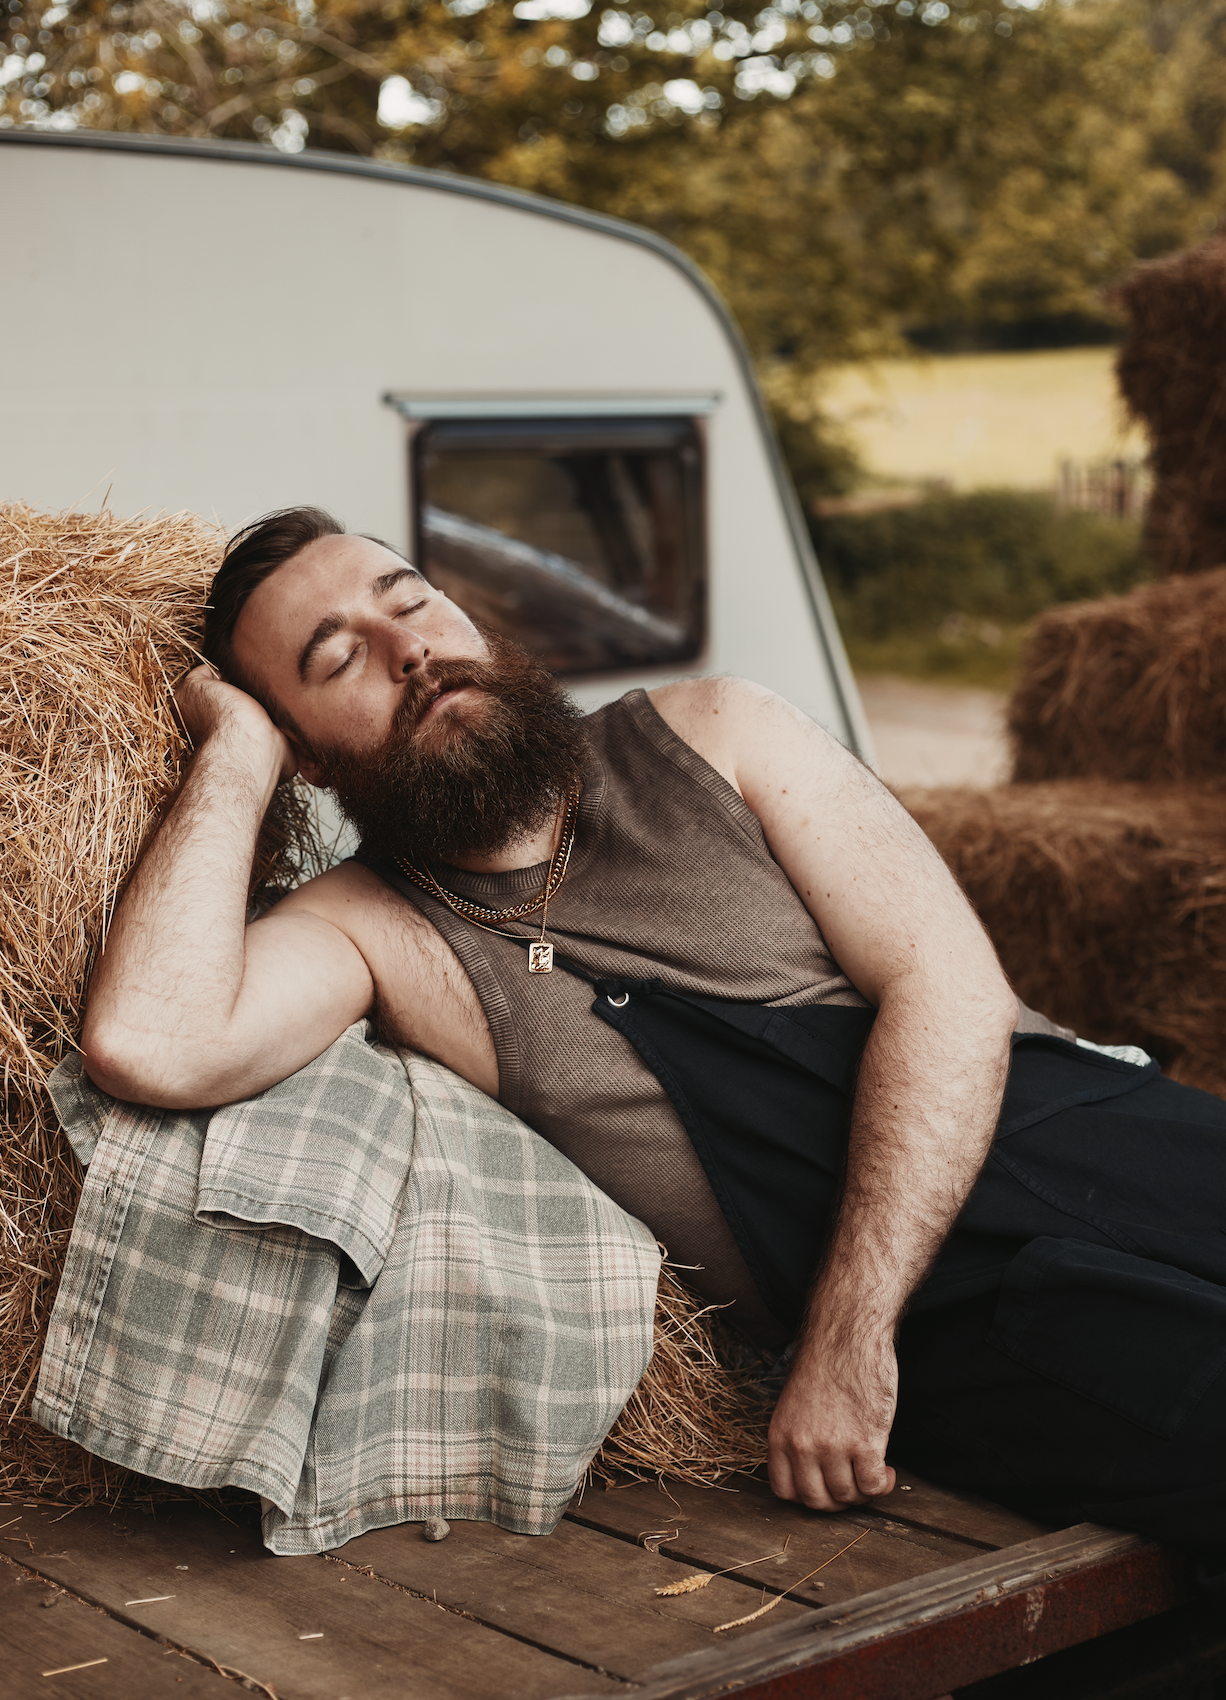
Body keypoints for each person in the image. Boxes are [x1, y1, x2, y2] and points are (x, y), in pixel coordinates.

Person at [81, 507, 1226, 1566]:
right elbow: (152, 1041)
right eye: (336, 658)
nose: (406, 648)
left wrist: (845, 1333)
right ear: (308, 752)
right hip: (968, 1332)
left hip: (1086, 1138)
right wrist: (232, 753)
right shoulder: (375, 928)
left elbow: (948, 989)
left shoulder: (709, 728)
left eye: (410, 596)